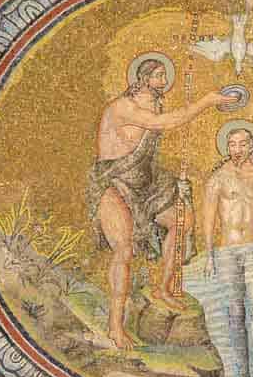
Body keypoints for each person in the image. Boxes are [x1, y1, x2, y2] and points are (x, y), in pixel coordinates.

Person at [87, 55, 238, 350]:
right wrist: (207, 101)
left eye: (164, 76)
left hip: (146, 182)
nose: (164, 81)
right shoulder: (123, 107)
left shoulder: (155, 104)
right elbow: (163, 123)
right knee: (124, 249)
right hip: (113, 181)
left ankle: (164, 288)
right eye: (158, 76)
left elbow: (157, 132)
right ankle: (115, 326)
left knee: (183, 221)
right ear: (143, 79)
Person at [202, 124, 253, 377]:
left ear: (252, 146)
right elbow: (208, 219)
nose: (237, 149)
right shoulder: (218, 178)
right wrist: (209, 255)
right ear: (226, 147)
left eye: (243, 144)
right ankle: (241, 376)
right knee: (234, 315)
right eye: (232, 144)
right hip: (227, 252)